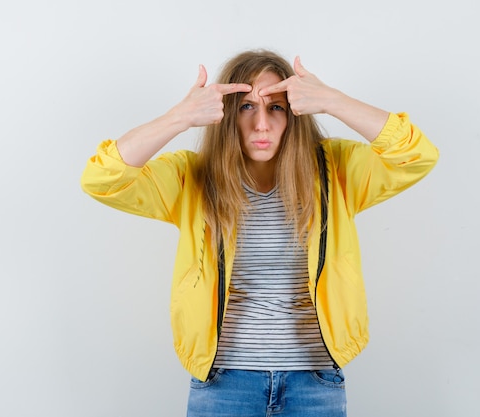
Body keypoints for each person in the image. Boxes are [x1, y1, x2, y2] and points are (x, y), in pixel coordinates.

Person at [81, 49, 438, 417]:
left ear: (295, 115)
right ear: (225, 115)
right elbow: (102, 179)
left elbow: (415, 154)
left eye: (276, 107)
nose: (262, 124)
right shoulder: (193, 178)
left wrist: (332, 101)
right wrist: (179, 117)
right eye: (246, 107)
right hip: (223, 384)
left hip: (315, 383)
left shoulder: (336, 171)